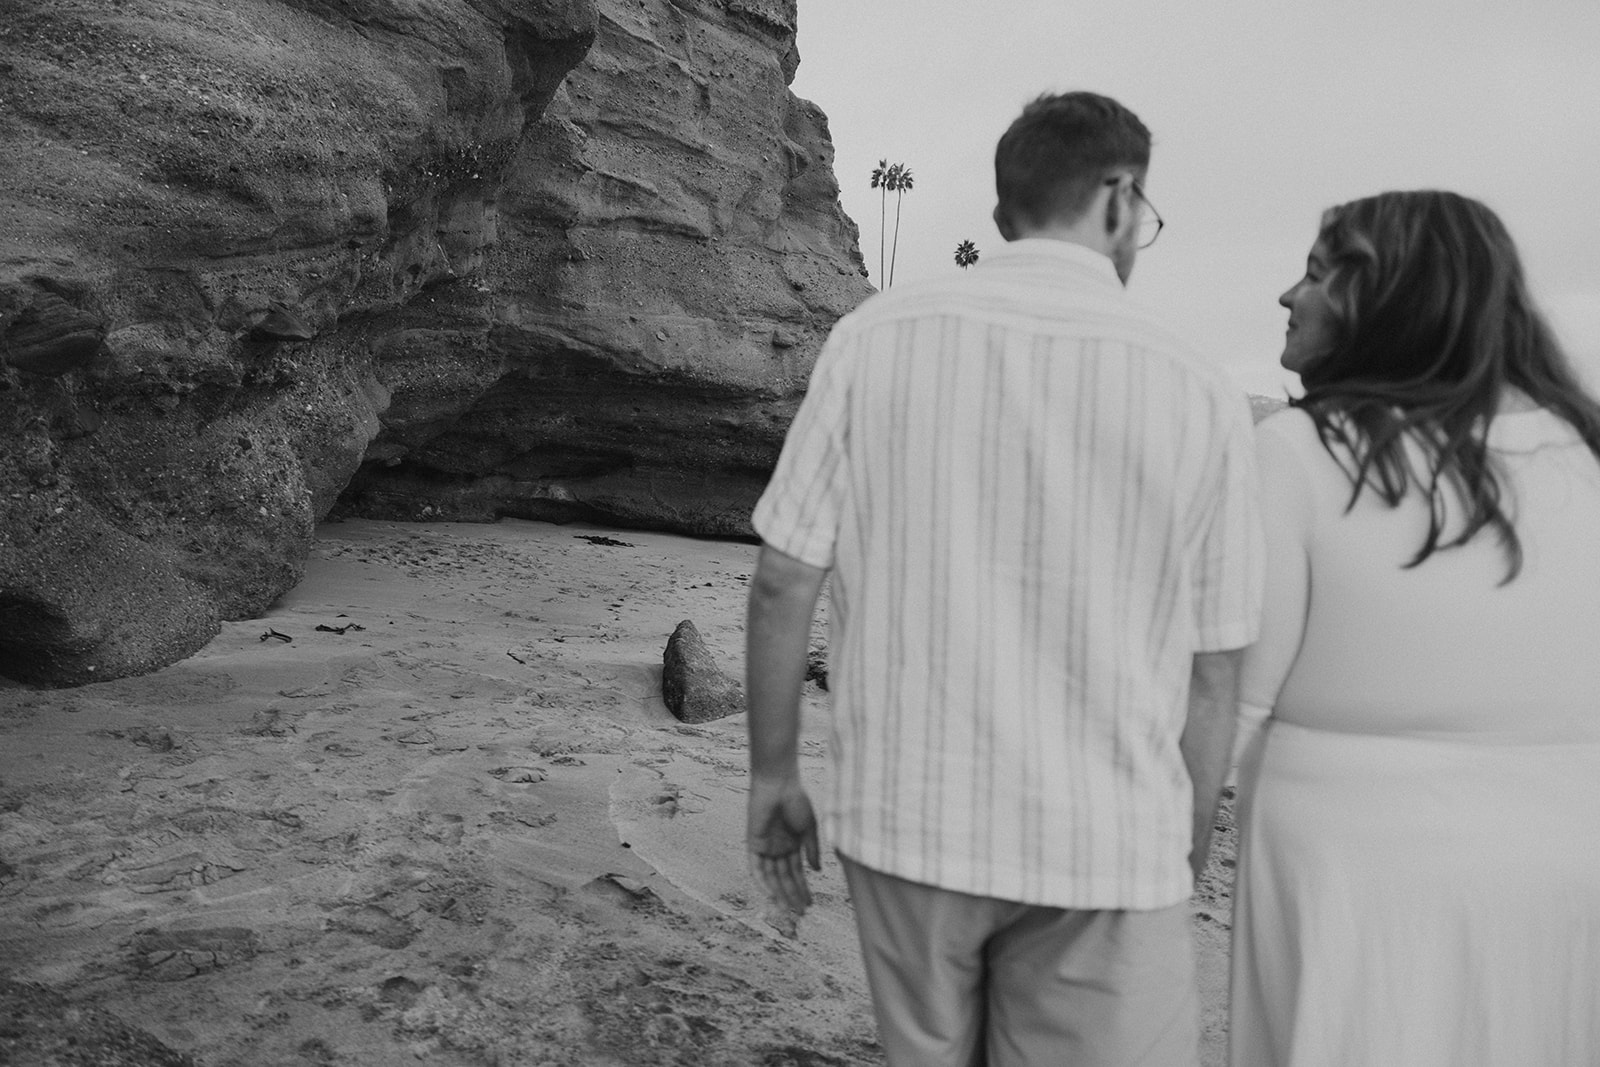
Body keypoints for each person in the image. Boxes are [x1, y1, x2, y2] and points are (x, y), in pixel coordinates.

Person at [745, 90, 1264, 1067]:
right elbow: (1216, 669)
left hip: (908, 818)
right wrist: (1179, 850)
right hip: (1107, 841)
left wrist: (774, 773)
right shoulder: (1196, 385)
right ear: (1118, 198)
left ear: (1002, 213)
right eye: (1141, 213)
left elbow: (783, 578)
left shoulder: (874, 338)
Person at [1231, 190, 1600, 1066]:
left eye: (1317, 275)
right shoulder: (1585, 457)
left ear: (1390, 296)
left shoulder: (1303, 452)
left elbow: (1227, 700)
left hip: (1349, 887)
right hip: (1562, 879)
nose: (1289, 295)